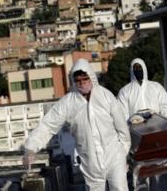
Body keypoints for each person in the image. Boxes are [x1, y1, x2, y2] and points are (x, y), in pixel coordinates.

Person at [23, 58, 131, 191]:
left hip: (114, 156)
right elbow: (48, 125)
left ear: (91, 77)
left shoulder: (106, 97)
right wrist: (30, 148)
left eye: (85, 79)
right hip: (90, 161)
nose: (82, 83)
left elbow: (122, 129)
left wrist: (123, 154)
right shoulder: (68, 103)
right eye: (78, 80)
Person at [117, 58, 167, 191]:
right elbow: (120, 116)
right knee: (141, 174)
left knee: (160, 173)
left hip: (158, 137)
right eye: (135, 68)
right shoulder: (125, 91)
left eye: (140, 68)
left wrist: (161, 123)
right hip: (137, 141)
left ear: (145, 69)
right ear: (131, 70)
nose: (138, 71)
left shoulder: (156, 87)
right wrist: (133, 122)